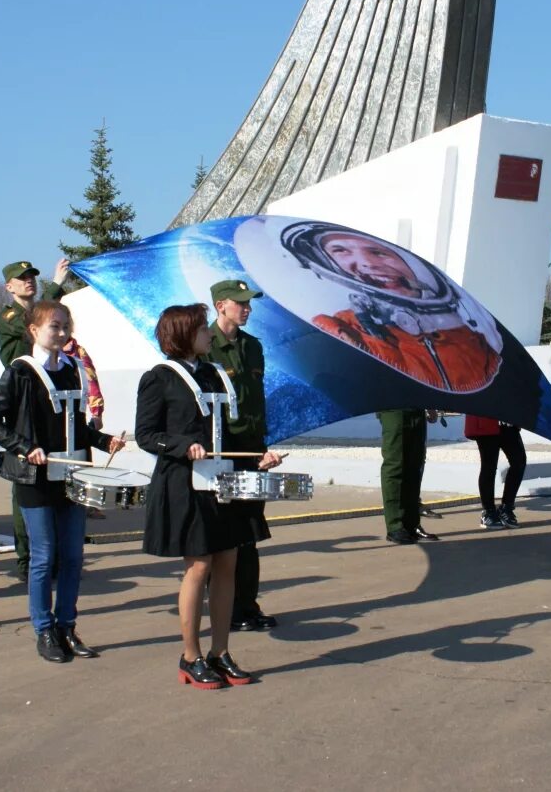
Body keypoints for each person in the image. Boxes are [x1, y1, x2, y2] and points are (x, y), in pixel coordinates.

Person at [0, 301, 123, 663]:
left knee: (73, 557)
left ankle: (67, 626)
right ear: (34, 331)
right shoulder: (20, 372)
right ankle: (43, 630)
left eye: (64, 326)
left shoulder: (74, 368)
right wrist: (25, 448)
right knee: (43, 557)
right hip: (36, 479)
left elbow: (75, 424)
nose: (61, 333)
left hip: (71, 475)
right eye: (53, 327)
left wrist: (104, 441)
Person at [137, 304, 261, 689]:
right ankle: (189, 656)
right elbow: (146, 434)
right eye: (201, 329)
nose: (209, 333)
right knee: (199, 566)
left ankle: (219, 652)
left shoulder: (215, 374)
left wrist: (261, 455)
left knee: (228, 562)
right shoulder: (159, 378)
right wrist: (181, 445)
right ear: (183, 334)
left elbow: (233, 430)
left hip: (222, 481)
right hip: (184, 484)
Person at [280, 221, 502, 392]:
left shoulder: (470, 339)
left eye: (378, 252)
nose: (367, 263)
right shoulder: (343, 328)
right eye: (340, 250)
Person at [201, 279, 284, 632]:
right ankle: (225, 608)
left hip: (251, 449)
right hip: (220, 451)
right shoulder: (204, 347)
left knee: (249, 532)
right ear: (221, 305)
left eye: (249, 303)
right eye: (240, 303)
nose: (247, 308)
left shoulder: (253, 347)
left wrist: (263, 447)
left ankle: (247, 605)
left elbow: (256, 401)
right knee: (221, 535)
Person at [0, 258, 69, 581]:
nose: (29, 282)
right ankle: (27, 557)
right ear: (8, 286)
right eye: (21, 279)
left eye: (31, 278)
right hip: (20, 402)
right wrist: (56, 286)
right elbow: (34, 321)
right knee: (23, 484)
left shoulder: (36, 314)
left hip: (42, 398)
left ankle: (49, 552)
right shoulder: (10, 317)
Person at [62, 329, 106, 518]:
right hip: (51, 418)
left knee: (82, 461)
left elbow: (91, 381)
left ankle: (86, 502)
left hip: (75, 416)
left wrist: (97, 413)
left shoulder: (77, 352)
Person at [379, 409, 440, 544]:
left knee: (414, 466)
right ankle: (395, 526)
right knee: (395, 464)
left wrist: (430, 405)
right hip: (392, 406)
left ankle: (411, 525)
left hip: (416, 406)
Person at [464, 415, 525, 530]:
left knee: (519, 462)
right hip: (485, 419)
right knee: (489, 466)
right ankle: (488, 511)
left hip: (508, 422)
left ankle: (506, 507)